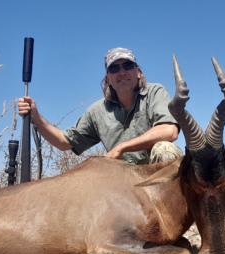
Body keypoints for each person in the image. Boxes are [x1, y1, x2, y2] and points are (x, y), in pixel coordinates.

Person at [18, 47, 182, 165]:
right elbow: (63, 142)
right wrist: (36, 116)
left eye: (127, 66)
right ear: (108, 78)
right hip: (121, 181)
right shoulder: (97, 111)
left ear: (138, 72)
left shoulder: (155, 92)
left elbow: (169, 130)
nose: (122, 71)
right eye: (114, 68)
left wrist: (121, 148)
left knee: (164, 149)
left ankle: (176, 213)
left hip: (156, 180)